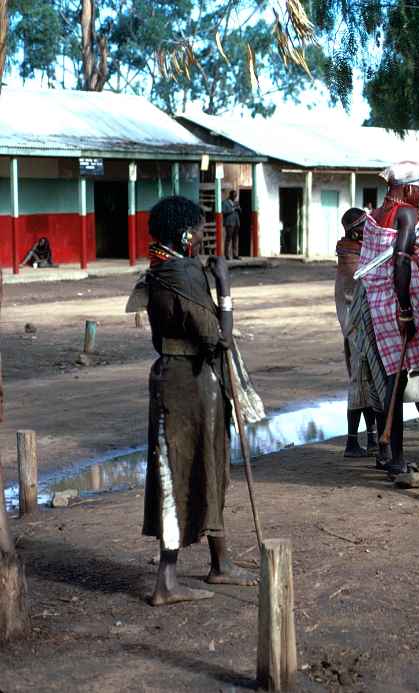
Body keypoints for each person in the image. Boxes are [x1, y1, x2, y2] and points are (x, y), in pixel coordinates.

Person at [141, 195, 256, 606]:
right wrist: (225, 289)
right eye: (201, 231)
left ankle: (220, 563)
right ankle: (166, 582)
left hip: (178, 378)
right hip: (190, 383)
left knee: (205, 465)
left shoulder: (159, 269)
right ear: (186, 233)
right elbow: (217, 338)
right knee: (182, 470)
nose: (203, 238)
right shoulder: (184, 274)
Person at [362, 161, 419, 479]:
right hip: (401, 307)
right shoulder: (406, 214)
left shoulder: (376, 216)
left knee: (392, 383)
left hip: (380, 307)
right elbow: (400, 263)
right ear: (408, 188)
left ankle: (396, 459)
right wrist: (407, 310)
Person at [336, 208, 380, 458]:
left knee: (369, 381)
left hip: (363, 323)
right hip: (356, 325)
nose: (370, 229)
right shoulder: (349, 254)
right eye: (365, 226)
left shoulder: (355, 250)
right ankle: (352, 441)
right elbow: (358, 285)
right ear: (355, 231)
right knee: (359, 382)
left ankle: (371, 438)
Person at [222, 190, 241, 260]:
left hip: (236, 223)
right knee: (228, 239)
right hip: (229, 223)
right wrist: (232, 209)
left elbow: (240, 211)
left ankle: (235, 254)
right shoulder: (225, 202)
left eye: (236, 195)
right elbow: (223, 211)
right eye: (234, 195)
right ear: (230, 195)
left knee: (235, 239)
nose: (235, 197)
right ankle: (226, 255)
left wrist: (239, 208)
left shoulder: (236, 202)